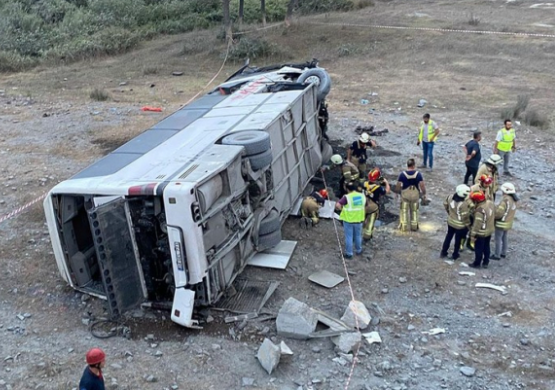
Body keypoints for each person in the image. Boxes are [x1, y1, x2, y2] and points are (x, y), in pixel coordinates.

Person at [394, 158, 428, 232]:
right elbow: (422, 185)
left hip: (405, 195)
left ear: (407, 165)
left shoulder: (402, 174)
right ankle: (414, 226)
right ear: (413, 165)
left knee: (404, 210)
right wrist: (424, 193)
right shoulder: (418, 174)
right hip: (415, 195)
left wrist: (396, 193)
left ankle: (404, 226)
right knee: (414, 210)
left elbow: (398, 185)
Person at [335, 182, 366, 259]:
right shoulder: (362, 196)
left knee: (349, 237)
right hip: (359, 220)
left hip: (348, 220)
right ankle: (358, 250)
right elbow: (365, 205)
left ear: (347, 189)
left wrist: (341, 209)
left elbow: (337, 205)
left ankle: (349, 253)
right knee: (358, 236)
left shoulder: (347, 197)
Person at [440, 184, 471, 260]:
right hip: (460, 225)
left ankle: (443, 252)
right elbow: (465, 217)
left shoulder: (450, 197)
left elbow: (445, 204)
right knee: (458, 240)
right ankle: (455, 254)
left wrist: (450, 213)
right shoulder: (464, 204)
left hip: (450, 222)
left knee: (448, 237)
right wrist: (468, 225)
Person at [468, 190, 495, 269]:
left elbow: (477, 224)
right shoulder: (490, 203)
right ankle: (486, 262)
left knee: (478, 248)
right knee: (486, 246)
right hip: (489, 230)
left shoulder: (479, 210)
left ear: (476, 201)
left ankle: (477, 263)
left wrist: (472, 234)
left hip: (481, 232)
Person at [491, 182, 518, 260]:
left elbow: (499, 213)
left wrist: (494, 216)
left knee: (498, 238)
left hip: (501, 223)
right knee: (504, 237)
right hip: (508, 222)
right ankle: (503, 253)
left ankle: (497, 255)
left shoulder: (505, 200)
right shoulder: (514, 200)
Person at [362, 168, 390, 240]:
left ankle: (359, 232)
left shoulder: (364, 184)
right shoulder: (378, 188)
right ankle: (367, 235)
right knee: (371, 220)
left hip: (363, 205)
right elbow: (387, 191)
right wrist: (386, 183)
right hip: (373, 206)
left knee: (362, 219)